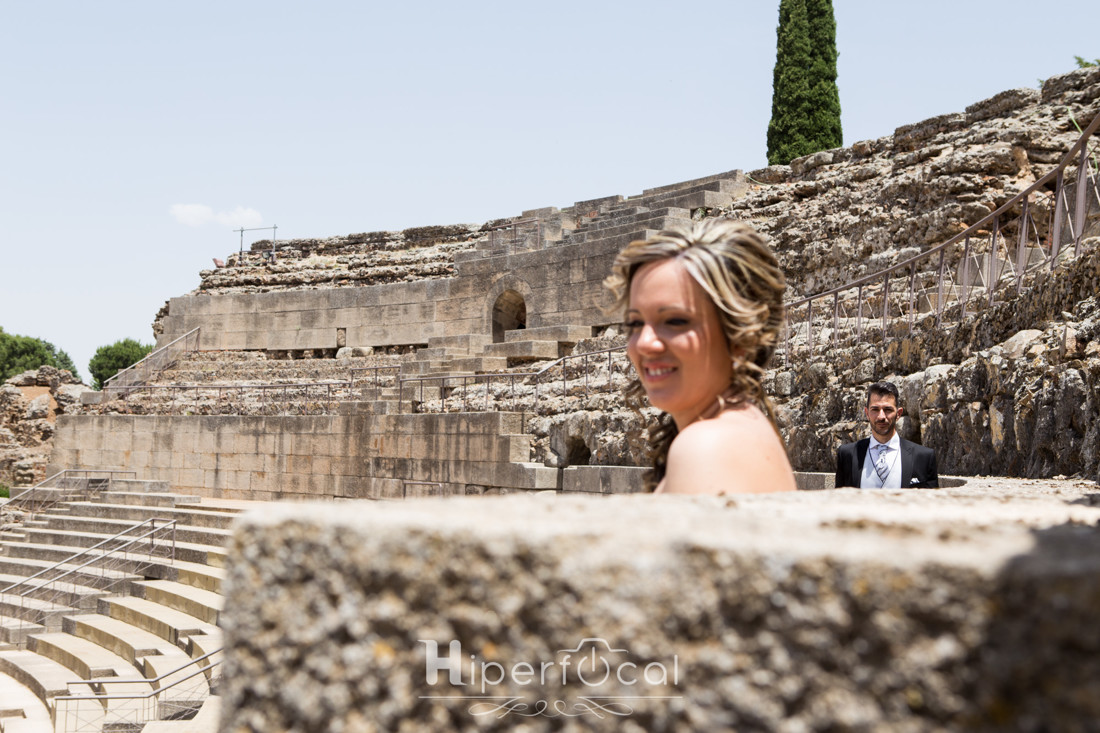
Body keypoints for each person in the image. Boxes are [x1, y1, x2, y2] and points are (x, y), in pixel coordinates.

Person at [605, 219, 797, 495]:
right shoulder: (741, 428)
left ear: (742, 336)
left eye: (675, 321)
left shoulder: (705, 447)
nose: (644, 343)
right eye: (635, 324)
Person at [835, 381, 939, 489]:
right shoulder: (847, 454)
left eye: (887, 410)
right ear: (867, 413)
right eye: (875, 409)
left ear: (898, 414)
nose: (881, 416)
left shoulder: (924, 457)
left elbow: (931, 504)